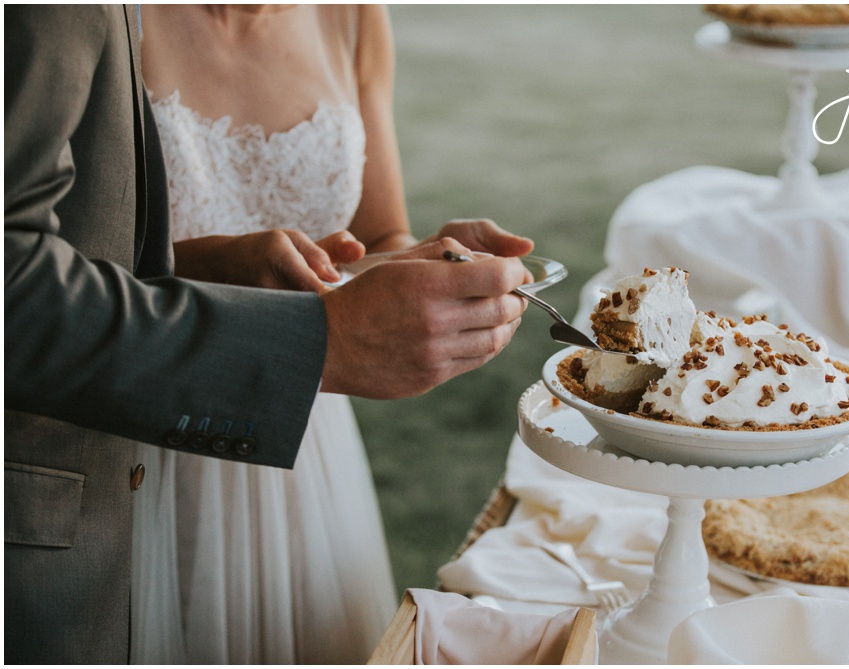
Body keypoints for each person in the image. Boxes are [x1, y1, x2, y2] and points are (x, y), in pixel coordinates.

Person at [4, 5, 531, 664]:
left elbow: (376, 236)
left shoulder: (354, 14)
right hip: (143, 436)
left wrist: (428, 268)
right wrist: (216, 277)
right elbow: (49, 257)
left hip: (311, 450)